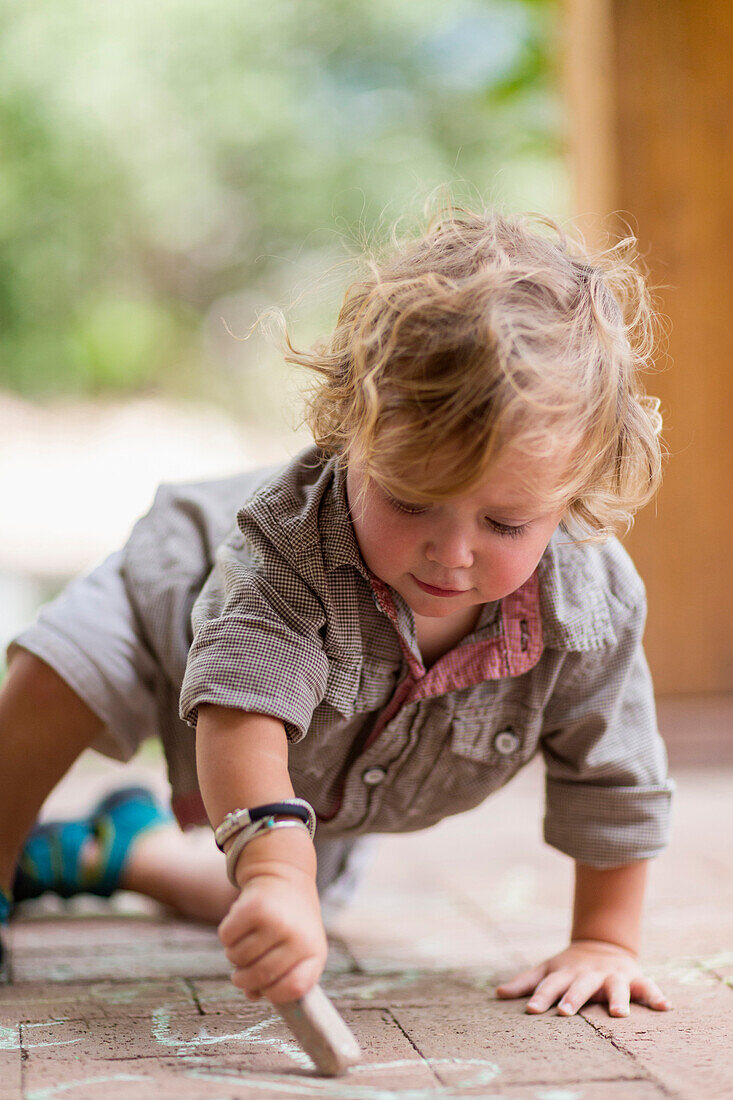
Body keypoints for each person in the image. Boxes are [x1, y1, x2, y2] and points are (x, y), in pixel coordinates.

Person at [0, 205, 673, 1019]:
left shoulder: (590, 604)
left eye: (503, 523)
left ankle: (118, 849)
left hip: (321, 783)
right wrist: (276, 869)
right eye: (409, 498)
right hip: (167, 618)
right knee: (51, 677)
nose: (451, 553)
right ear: (349, 431)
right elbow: (242, 709)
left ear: (573, 495)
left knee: (273, 916)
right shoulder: (291, 546)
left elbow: (616, 774)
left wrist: (605, 940)